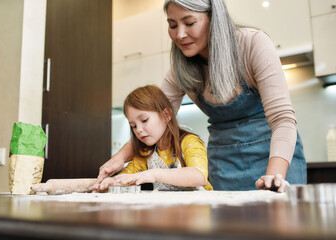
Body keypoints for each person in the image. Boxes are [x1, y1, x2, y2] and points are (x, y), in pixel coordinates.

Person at [96, 0, 307, 192]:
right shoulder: (179, 71)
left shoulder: (252, 44)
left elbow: (283, 119)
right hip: (223, 162)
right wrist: (118, 159)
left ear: (214, 19)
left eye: (189, 23)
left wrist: (273, 177)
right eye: (172, 25)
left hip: (274, 155)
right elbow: (155, 122)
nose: (179, 34)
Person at [90, 85, 213, 192]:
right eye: (133, 126)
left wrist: (153, 174)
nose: (138, 130)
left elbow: (199, 176)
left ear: (166, 115)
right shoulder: (147, 154)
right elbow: (127, 176)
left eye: (144, 120)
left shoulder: (189, 142)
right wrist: (112, 182)